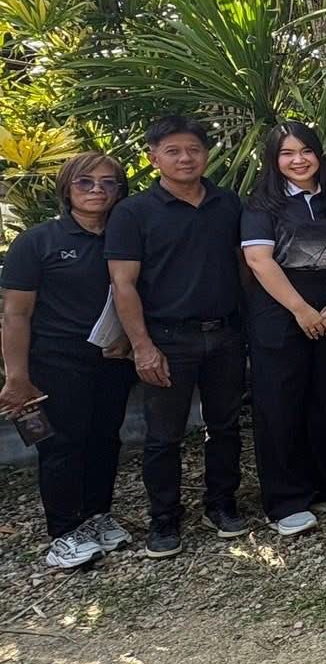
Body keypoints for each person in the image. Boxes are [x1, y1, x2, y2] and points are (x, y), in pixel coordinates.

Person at [105, 115, 249, 559]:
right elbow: (123, 285)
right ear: (153, 158)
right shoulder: (133, 213)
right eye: (173, 151)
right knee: (163, 435)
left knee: (225, 426)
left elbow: (245, 268)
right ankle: (164, 519)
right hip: (168, 339)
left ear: (206, 155)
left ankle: (221, 505)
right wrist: (143, 346)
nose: (185, 158)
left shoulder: (228, 204)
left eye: (193, 150)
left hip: (224, 334)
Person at [0, 154, 135, 568]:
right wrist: (16, 376)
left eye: (108, 183)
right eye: (85, 182)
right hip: (57, 360)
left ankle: (96, 516)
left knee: (104, 438)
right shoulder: (39, 242)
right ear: (67, 189)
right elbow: (15, 313)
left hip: (113, 357)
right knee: (62, 444)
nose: (97, 190)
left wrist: (131, 341)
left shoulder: (128, 238)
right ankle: (63, 532)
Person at [240, 122, 326, 537]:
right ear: (274, 161)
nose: (298, 160)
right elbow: (260, 262)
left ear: (319, 154)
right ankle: (285, 500)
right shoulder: (262, 205)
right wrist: (300, 309)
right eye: (287, 153)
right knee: (281, 402)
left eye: (306, 151)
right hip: (280, 312)